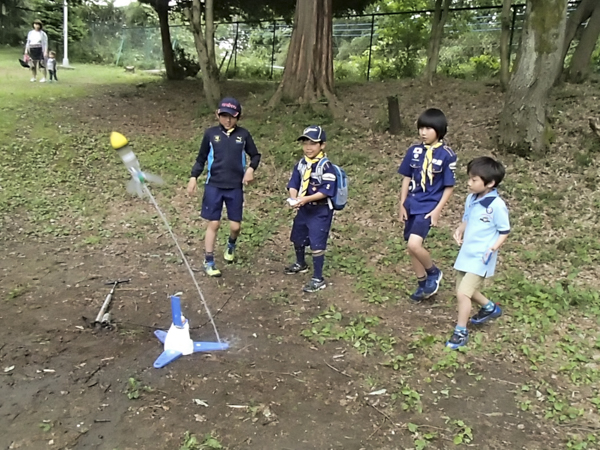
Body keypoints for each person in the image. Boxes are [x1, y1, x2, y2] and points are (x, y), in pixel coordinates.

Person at [186, 97, 261, 277]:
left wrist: (250, 169)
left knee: (235, 227)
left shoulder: (243, 135)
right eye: (224, 116)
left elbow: (255, 155)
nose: (228, 120)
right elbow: (201, 158)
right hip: (214, 186)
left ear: (238, 117)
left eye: (232, 117)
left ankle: (231, 245)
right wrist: (193, 177)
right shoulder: (211, 134)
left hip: (235, 187)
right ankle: (209, 260)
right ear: (217, 114)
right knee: (214, 222)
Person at [446, 157, 510, 349]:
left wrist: (492, 248)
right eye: (469, 178)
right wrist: (459, 229)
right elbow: (467, 219)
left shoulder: (497, 205)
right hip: (466, 253)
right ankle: (490, 308)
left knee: (462, 294)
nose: (469, 183)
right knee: (465, 290)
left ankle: (460, 331)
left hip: (482, 257)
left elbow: (504, 231)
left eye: (474, 180)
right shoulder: (471, 199)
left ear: (490, 183)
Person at [398, 108, 457, 302]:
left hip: (429, 205)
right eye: (421, 128)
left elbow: (449, 187)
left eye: (428, 128)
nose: (423, 132)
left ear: (439, 130)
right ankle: (422, 283)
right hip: (412, 203)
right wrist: (402, 204)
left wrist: (437, 211)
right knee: (411, 247)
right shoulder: (414, 151)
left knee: (414, 244)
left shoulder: (447, 154)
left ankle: (433, 273)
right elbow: (407, 177)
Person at [285, 126, 337, 293]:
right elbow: (294, 182)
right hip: (303, 209)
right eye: (305, 143)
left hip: (320, 211)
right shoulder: (301, 164)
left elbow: (326, 190)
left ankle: (318, 278)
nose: (308, 147)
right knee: (297, 236)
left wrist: (305, 199)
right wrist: (294, 197)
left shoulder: (326, 166)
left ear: (322, 145)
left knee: (317, 242)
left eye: (313, 143)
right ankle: (300, 263)